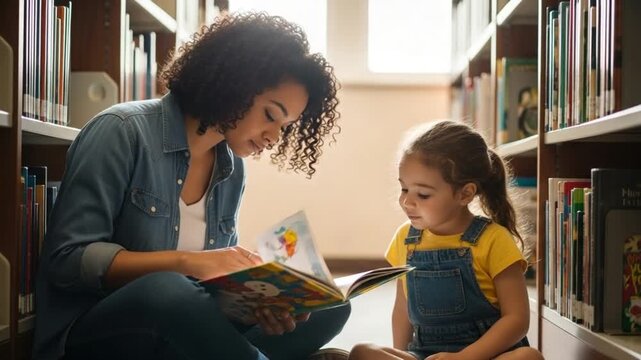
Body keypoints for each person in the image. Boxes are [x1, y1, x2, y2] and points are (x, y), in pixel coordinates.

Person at [32, 13, 350, 360]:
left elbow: (204, 299)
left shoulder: (232, 169)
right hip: (98, 333)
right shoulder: (121, 130)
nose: (274, 137)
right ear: (234, 83)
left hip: (179, 327)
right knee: (167, 288)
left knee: (329, 307)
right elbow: (67, 260)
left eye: (286, 127)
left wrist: (260, 303)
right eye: (271, 115)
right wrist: (190, 262)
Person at [348, 120, 543, 360]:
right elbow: (402, 309)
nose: (407, 202)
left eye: (423, 194)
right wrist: (401, 354)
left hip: (485, 355)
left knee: (528, 357)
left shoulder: (494, 239)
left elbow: (517, 320)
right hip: (425, 354)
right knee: (362, 352)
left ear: (465, 193)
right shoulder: (405, 239)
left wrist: (465, 357)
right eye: (404, 189)